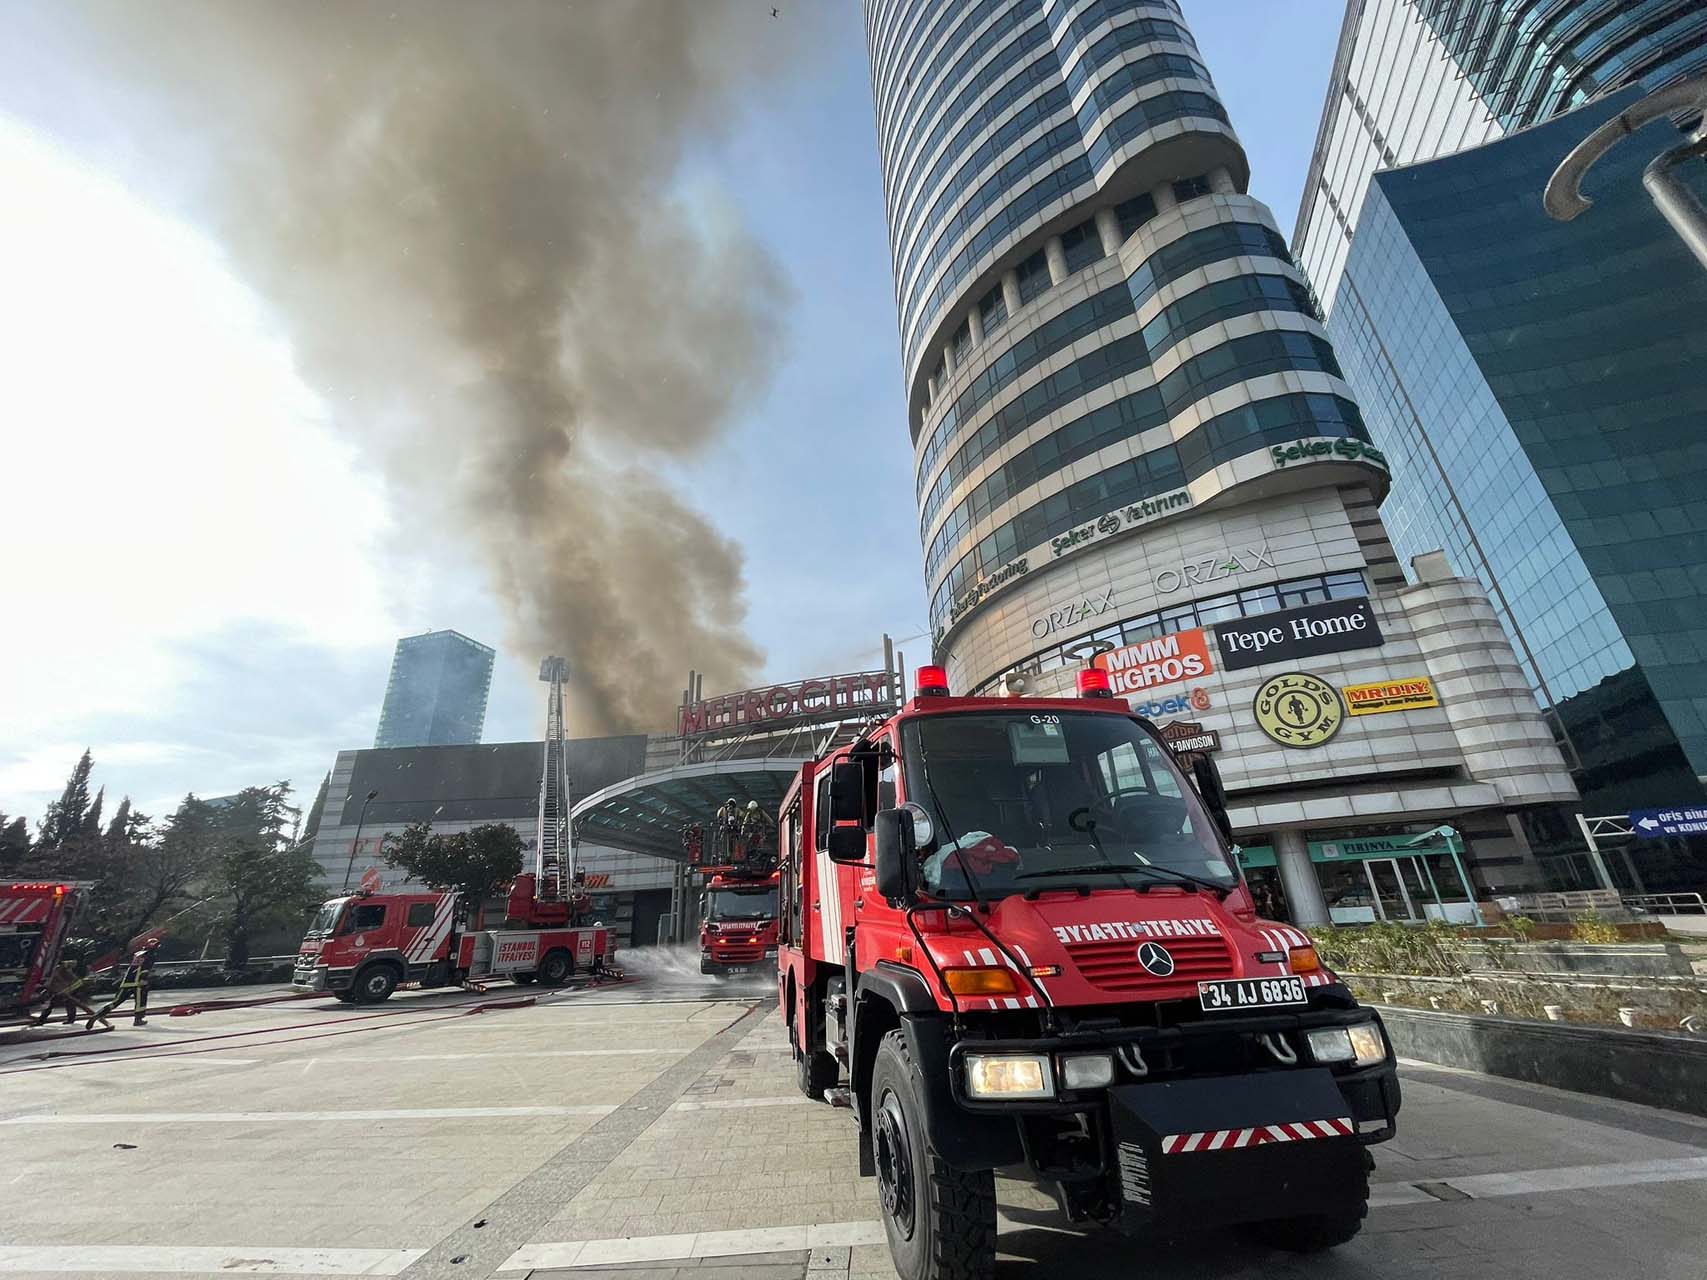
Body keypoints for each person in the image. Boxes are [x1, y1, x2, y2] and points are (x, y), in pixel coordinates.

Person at [90, 936, 160, 1028]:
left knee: (117, 1001)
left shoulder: (138, 954)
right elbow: (146, 968)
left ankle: (99, 1014)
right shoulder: (151, 955)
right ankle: (138, 1020)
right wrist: (143, 979)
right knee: (140, 1001)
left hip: (127, 980)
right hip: (138, 982)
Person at [34, 961, 111, 1029]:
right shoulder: (55, 972)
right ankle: (43, 1020)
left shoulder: (57, 972)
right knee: (61, 1003)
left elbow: (71, 974)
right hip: (64, 989)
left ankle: (42, 1021)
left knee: (63, 1003)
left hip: (68, 988)